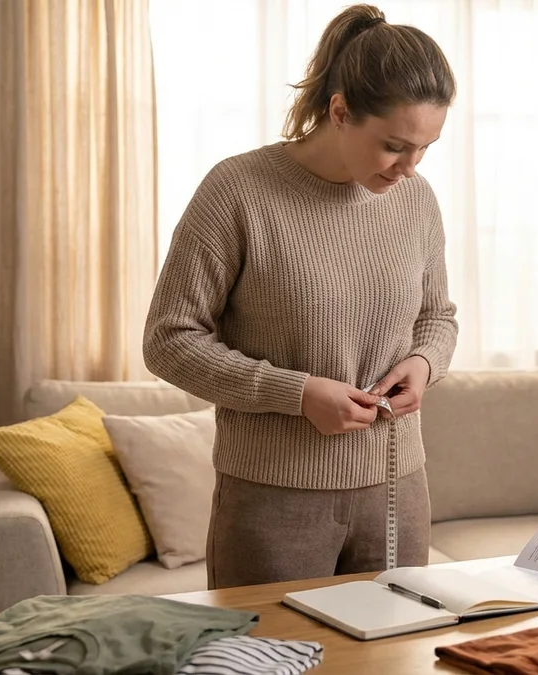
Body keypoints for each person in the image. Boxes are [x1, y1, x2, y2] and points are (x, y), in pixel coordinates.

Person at [143, 3, 458, 590]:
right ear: (340, 111)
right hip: (271, 500)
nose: (410, 167)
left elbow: (437, 317)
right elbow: (168, 341)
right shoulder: (238, 190)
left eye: (425, 148)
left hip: (397, 486)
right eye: (394, 145)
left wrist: (423, 363)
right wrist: (298, 393)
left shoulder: (415, 200)